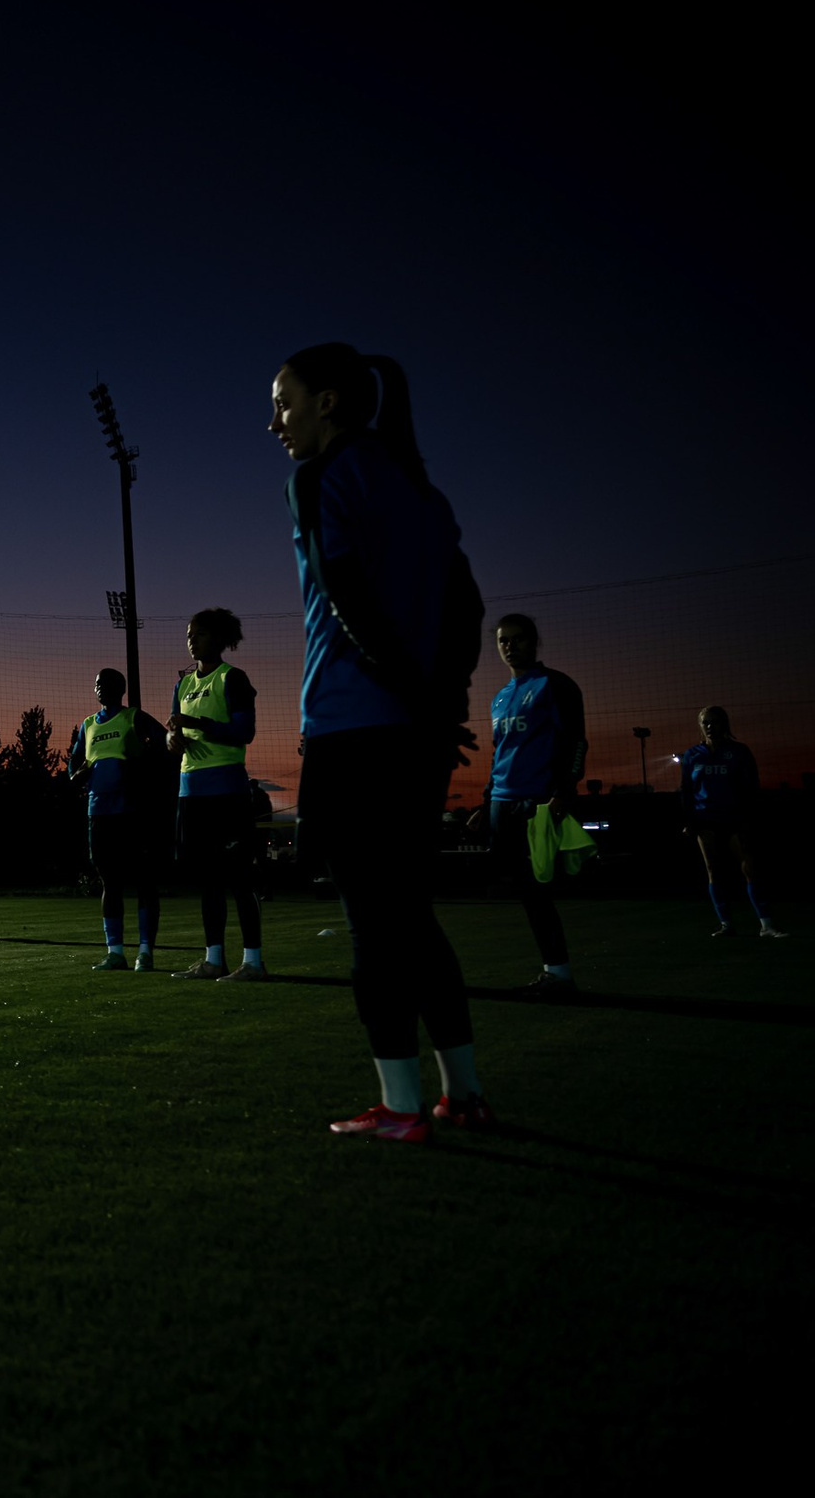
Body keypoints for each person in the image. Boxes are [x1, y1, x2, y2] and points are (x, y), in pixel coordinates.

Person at [271, 342, 486, 1142]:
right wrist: (443, 702)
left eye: (285, 402)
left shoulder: (318, 478)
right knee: (413, 916)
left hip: (356, 727)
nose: (276, 421)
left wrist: (416, 693)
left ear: (329, 402)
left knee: (373, 923)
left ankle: (400, 1107)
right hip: (415, 734)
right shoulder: (424, 492)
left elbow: (345, 588)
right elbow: (468, 606)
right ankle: (462, 1093)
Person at [469, 615, 587, 996]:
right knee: (513, 887)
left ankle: (559, 974)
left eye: (518, 639)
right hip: (501, 803)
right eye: (503, 641)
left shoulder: (555, 685)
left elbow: (576, 742)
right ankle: (555, 972)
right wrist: (486, 801)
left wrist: (563, 791)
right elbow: (500, 752)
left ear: (534, 641)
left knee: (536, 890)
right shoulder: (501, 696)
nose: (509, 646)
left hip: (536, 802)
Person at [167, 609, 265, 981]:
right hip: (190, 792)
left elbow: (244, 732)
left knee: (239, 876)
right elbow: (172, 728)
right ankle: (213, 960)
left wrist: (197, 724)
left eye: (200, 634)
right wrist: (171, 738)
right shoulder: (183, 684)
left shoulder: (233, 678)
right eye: (190, 633)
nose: (192, 639)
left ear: (220, 639)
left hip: (227, 790)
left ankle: (253, 962)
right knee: (207, 879)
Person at [69, 668, 167, 970]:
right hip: (99, 813)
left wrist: (142, 765)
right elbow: (73, 768)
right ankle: (115, 952)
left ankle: (145, 952)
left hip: (133, 812)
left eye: (108, 683)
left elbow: (164, 741)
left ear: (121, 688)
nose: (101, 688)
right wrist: (78, 776)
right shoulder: (88, 725)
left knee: (144, 881)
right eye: (97, 683)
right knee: (109, 882)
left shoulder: (134, 718)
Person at [680, 706, 779, 937]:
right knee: (713, 870)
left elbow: (751, 786)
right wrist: (690, 820)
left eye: (715, 722)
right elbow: (686, 790)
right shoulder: (692, 755)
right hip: (705, 820)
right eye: (706, 723)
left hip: (734, 819)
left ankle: (766, 924)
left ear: (725, 724)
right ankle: (726, 924)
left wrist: (748, 818)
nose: (710, 726)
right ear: (700, 726)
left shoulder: (739, 752)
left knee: (749, 867)